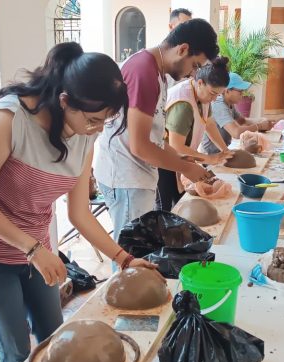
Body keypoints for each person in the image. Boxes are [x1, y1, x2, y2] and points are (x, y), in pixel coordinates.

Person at [0, 42, 160, 362]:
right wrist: (33, 249)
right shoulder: (6, 121)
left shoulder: (83, 134)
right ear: (65, 100)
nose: (97, 129)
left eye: (105, 121)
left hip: (36, 253)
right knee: (17, 350)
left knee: (55, 338)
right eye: (93, 120)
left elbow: (80, 213)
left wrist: (124, 259)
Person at [95, 18, 219, 244]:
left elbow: (154, 139)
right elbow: (140, 145)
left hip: (135, 175)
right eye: (196, 65)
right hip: (126, 177)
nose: (194, 74)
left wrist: (187, 160)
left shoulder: (155, 70)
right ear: (183, 49)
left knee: (137, 251)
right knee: (129, 254)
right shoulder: (144, 71)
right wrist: (185, 167)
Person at [156, 58, 233, 211]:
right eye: (213, 93)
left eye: (219, 94)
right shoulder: (183, 103)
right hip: (162, 157)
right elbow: (176, 145)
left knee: (183, 201)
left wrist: (225, 151)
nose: (214, 98)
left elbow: (209, 124)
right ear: (200, 83)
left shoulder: (204, 96)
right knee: (168, 206)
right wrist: (208, 158)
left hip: (181, 156)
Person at [198, 72, 274, 156]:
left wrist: (262, 121)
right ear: (227, 91)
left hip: (222, 150)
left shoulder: (229, 103)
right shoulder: (218, 104)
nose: (242, 94)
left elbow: (242, 121)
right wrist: (259, 126)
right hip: (210, 154)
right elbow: (236, 133)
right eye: (240, 91)